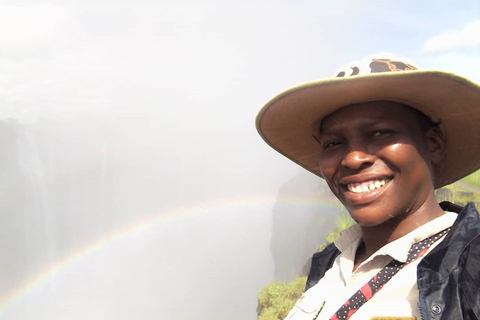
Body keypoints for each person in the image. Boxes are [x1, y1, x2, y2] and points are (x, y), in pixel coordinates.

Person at [256, 56, 480, 320]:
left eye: (379, 133)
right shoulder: (331, 262)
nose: (352, 159)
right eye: (332, 143)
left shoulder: (471, 266)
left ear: (433, 144)